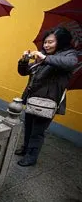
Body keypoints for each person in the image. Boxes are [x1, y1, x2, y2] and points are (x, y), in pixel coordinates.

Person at [15, 27, 78, 167]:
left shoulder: (69, 54)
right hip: (33, 98)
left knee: (37, 132)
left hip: (47, 102)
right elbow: (24, 72)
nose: (46, 45)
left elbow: (71, 63)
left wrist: (45, 58)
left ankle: (31, 157)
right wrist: (24, 61)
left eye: (50, 42)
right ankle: (25, 148)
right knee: (28, 126)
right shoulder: (42, 56)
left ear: (61, 42)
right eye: (45, 42)